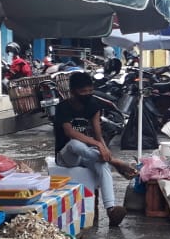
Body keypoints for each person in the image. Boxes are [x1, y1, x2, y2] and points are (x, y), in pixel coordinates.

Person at [53, 71, 136, 228]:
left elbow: (98, 134)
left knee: (102, 165)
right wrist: (99, 146)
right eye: (83, 92)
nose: (88, 94)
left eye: (90, 91)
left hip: (86, 154)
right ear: (72, 92)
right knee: (75, 144)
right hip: (66, 157)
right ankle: (117, 163)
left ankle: (111, 210)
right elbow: (70, 133)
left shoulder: (93, 105)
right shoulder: (62, 107)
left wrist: (104, 148)